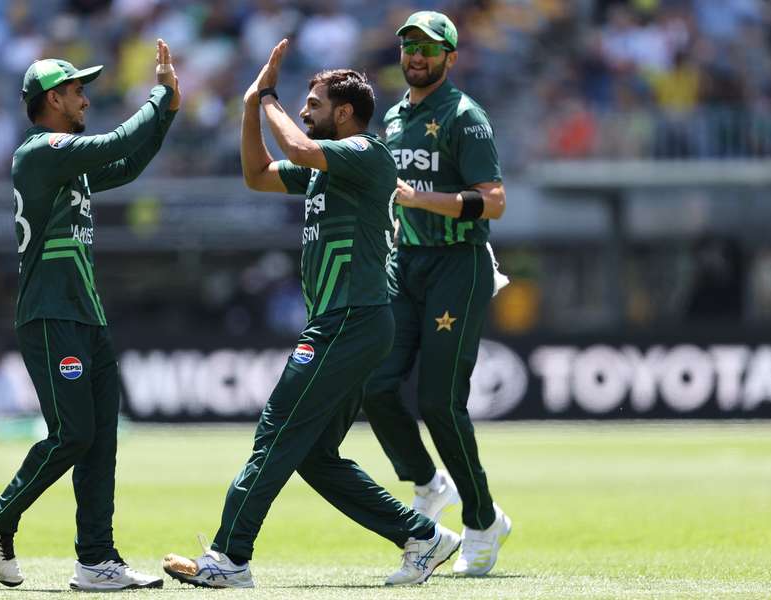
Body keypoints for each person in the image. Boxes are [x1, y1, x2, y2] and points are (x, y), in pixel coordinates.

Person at [162, 39, 460, 589]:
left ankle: (229, 558)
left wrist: (269, 94)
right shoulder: (328, 169)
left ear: (344, 114)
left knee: (275, 433)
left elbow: (296, 148)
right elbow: (257, 174)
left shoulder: (366, 153)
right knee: (315, 454)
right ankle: (422, 536)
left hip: (350, 320)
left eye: (314, 103)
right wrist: (251, 106)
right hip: (345, 323)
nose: (304, 110)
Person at [0, 39, 181, 592]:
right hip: (50, 315)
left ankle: (96, 560)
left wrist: (170, 112)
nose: (86, 98)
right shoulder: (40, 153)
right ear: (52, 98)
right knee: (73, 434)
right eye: (78, 91)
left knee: (99, 441)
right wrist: (158, 95)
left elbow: (129, 163)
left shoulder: (70, 164)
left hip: (87, 317)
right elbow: (118, 140)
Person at [361, 11, 512, 577]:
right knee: (373, 384)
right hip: (406, 264)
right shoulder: (395, 118)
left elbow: (493, 201)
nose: (416, 56)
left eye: (429, 48)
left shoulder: (465, 116)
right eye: (409, 47)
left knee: (438, 402)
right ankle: (428, 482)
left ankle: (482, 522)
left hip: (459, 264)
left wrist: (425, 200)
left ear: (451, 57)